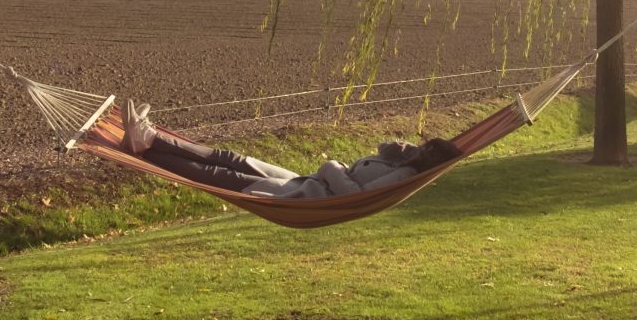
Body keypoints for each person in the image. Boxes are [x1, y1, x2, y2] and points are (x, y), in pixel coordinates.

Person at [116, 101, 460, 199]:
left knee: (222, 176)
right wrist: (403, 148)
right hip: (306, 182)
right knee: (231, 158)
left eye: (426, 149)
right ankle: (149, 139)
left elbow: (354, 195)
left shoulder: (403, 176)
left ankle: (145, 147)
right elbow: (382, 148)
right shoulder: (403, 159)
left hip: (308, 198)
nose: (420, 149)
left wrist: (332, 166)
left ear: (429, 160)